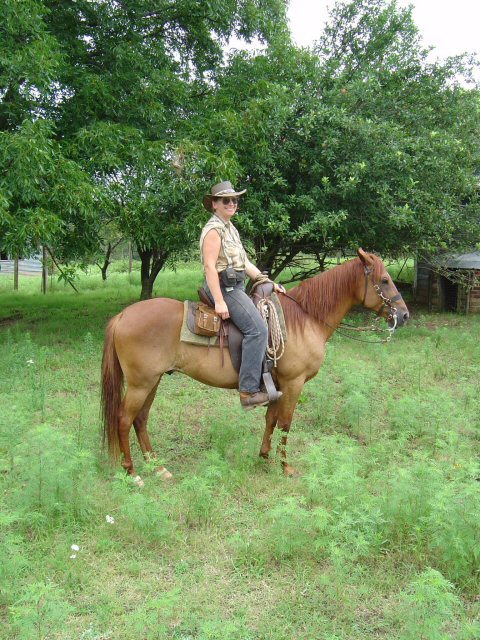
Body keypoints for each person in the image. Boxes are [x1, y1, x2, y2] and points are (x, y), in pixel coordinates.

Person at [200, 181, 285, 410]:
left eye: (234, 200)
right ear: (215, 205)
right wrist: (218, 301)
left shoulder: (230, 228)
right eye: (225, 200)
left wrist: (267, 281)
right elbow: (209, 267)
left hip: (235, 286)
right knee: (257, 329)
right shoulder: (214, 230)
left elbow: (245, 263)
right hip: (225, 289)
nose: (231, 203)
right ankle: (248, 391)